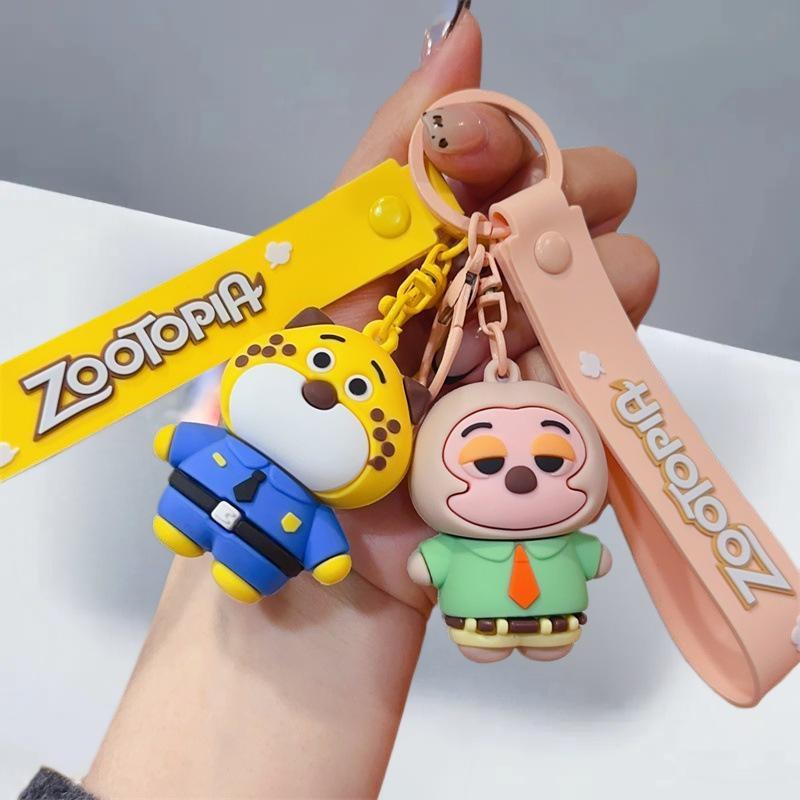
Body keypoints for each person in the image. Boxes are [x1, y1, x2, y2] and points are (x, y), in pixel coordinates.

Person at [20, 10, 657, 799]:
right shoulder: (277, 441)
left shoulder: (383, 482)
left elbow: (350, 538)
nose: (522, 476)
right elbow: (220, 472)